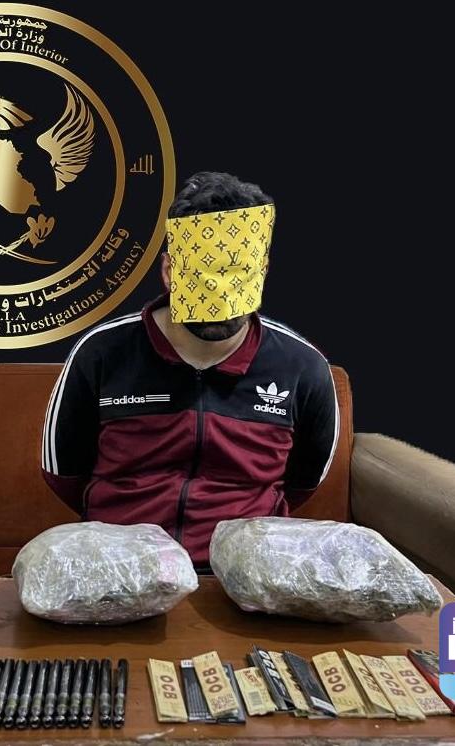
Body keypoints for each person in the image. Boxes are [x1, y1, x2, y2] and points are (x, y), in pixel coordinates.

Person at [41, 172, 338, 566]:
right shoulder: (101, 352)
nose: (221, 302)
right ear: (170, 271)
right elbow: (63, 473)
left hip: (244, 573)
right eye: (204, 279)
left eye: (236, 278)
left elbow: (304, 481)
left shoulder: (301, 367)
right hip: (121, 568)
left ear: (262, 272)